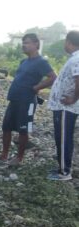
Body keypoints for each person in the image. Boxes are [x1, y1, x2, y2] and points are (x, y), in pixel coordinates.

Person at [0, 33, 56, 166]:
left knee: (23, 129)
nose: (24, 45)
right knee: (6, 127)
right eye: (23, 42)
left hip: (27, 101)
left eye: (27, 42)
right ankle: (4, 154)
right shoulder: (24, 61)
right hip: (14, 99)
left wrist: (37, 87)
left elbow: (53, 77)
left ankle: (19, 157)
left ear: (36, 45)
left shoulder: (41, 62)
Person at [47, 31, 79, 180]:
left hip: (67, 107)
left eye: (65, 41)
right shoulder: (74, 58)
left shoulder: (77, 59)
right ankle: (62, 167)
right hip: (63, 106)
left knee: (64, 138)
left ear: (69, 42)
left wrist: (73, 98)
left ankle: (64, 172)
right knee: (62, 137)